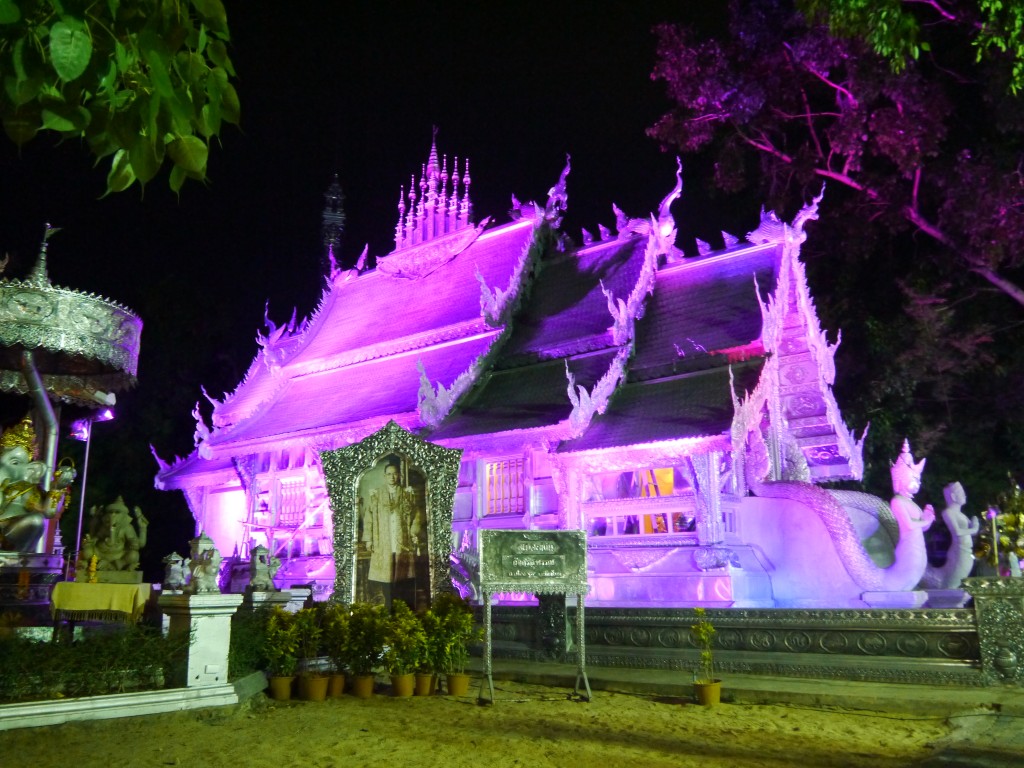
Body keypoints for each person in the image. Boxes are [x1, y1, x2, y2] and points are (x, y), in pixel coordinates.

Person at [360, 457, 426, 609]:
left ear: (399, 476)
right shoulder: (376, 495)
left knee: (402, 576)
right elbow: (368, 518)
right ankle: (388, 607)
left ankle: (400, 607)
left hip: (401, 540)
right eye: (389, 474)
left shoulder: (407, 494)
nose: (392, 477)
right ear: (385, 476)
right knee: (386, 575)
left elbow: (416, 516)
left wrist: (413, 532)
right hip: (383, 540)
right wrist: (369, 540)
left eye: (395, 474)